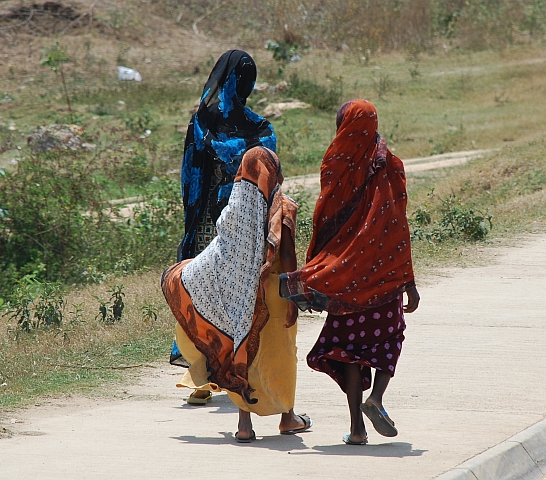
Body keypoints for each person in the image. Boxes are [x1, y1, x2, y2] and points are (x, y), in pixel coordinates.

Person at [280, 99, 420, 445]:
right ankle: (378, 399)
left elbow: (323, 217)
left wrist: (318, 265)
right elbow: (398, 226)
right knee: (389, 337)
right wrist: (409, 282)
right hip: (384, 276)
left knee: (350, 351)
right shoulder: (391, 165)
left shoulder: (336, 162)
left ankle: (357, 428)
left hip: (343, 280)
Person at [162, 146, 312, 443]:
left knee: (241, 353)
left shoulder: (231, 214)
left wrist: (183, 274)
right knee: (280, 355)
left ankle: (244, 425)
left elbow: (216, 255)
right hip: (274, 300)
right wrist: (299, 297)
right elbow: (289, 260)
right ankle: (288, 417)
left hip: (238, 300)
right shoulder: (284, 209)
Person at [171, 49, 277, 404]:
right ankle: (206, 374)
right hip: (229, 226)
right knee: (219, 293)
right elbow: (270, 181)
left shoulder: (222, 124)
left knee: (220, 293)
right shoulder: (249, 127)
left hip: (227, 225)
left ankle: (216, 371)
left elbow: (193, 176)